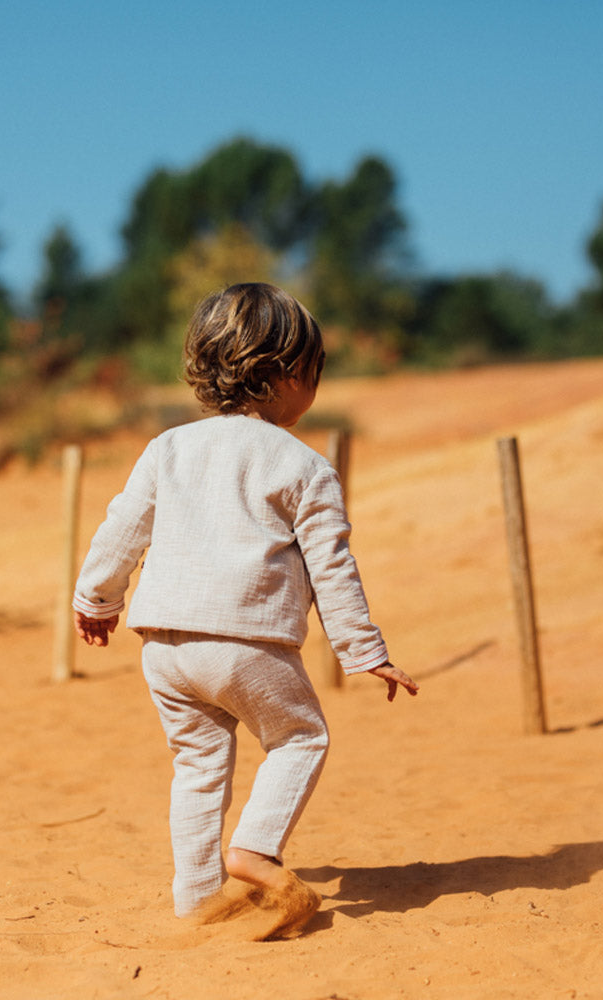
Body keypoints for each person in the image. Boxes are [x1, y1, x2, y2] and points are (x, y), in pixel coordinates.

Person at [73, 282, 418, 938]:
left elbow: (123, 530)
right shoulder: (305, 466)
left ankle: (198, 902)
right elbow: (332, 569)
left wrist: (96, 599)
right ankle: (254, 850)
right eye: (316, 374)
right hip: (247, 641)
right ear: (288, 376)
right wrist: (366, 651)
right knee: (300, 737)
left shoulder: (167, 448)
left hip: (164, 647)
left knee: (198, 763)